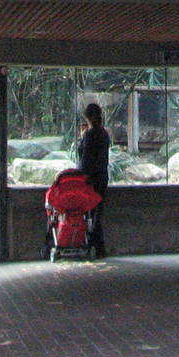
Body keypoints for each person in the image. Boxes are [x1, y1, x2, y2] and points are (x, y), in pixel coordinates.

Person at [74, 101, 111, 258]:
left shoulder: (90, 135)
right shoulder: (104, 133)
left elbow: (85, 157)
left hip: (90, 179)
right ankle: (98, 247)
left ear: (88, 117)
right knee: (97, 213)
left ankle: (91, 245)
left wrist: (82, 140)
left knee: (88, 214)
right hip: (102, 177)